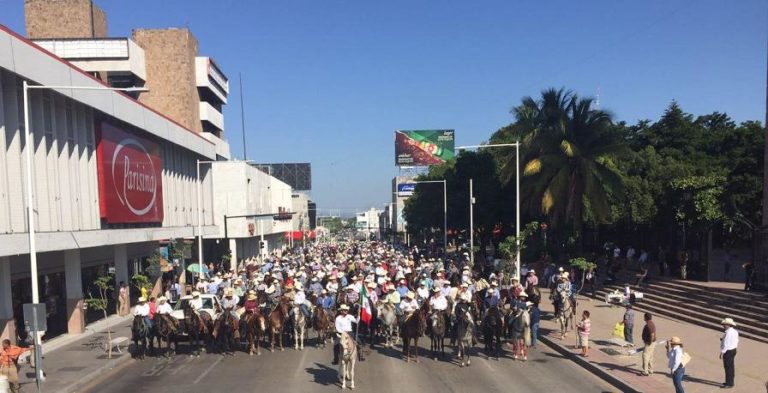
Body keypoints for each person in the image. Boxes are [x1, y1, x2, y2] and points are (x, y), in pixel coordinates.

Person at [720, 317, 739, 389]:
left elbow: (726, 344)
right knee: (731, 367)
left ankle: (729, 383)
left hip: (728, 351)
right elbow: (736, 341)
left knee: (728, 367)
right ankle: (730, 381)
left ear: (728, 325)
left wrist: (722, 353)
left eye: (724, 324)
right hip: (733, 350)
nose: (723, 326)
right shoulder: (735, 331)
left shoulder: (728, 332)